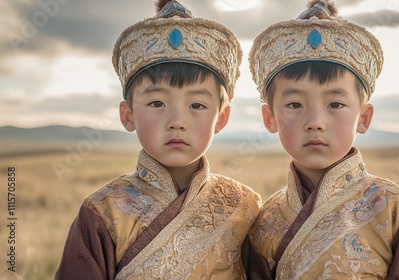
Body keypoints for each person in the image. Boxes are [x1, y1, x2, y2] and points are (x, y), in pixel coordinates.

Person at [55, 1, 261, 279]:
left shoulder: (243, 206)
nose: (177, 120)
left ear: (221, 118)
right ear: (128, 115)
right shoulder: (102, 211)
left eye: (197, 105)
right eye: (156, 103)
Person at [245, 1, 399, 279]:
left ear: (363, 117)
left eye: (335, 104)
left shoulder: (396, 211)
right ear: (270, 118)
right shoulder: (263, 222)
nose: (315, 122)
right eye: (294, 105)